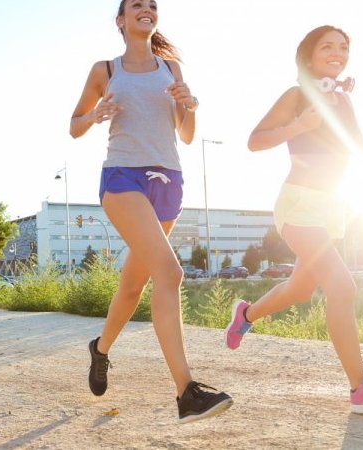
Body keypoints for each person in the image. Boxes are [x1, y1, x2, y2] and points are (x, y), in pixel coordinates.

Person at [225, 25, 363, 414]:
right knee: (343, 287)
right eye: (328, 46)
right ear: (309, 56)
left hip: (332, 207)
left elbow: (357, 152)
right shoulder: (297, 95)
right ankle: (361, 389)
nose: (337, 52)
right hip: (299, 205)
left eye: (343, 47)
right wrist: (299, 126)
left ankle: (246, 314)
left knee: (301, 289)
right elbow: (255, 140)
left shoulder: (342, 101)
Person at [70, 0, 233, 423]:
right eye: (137, 5)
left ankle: (100, 349)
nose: (147, 8)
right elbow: (74, 125)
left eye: (152, 4)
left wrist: (190, 104)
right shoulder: (105, 70)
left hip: (169, 181)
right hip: (123, 177)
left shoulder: (171, 68)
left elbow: (186, 132)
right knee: (171, 272)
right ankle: (187, 392)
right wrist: (95, 114)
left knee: (131, 288)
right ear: (121, 21)